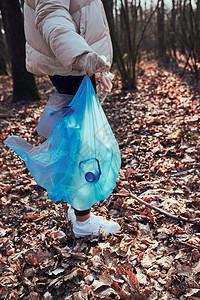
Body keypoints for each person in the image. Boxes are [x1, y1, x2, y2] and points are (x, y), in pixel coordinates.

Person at [23, 0, 120, 238]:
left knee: (76, 139)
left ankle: (76, 209)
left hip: (73, 62)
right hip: (73, 64)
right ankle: (83, 222)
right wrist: (83, 55)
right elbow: (51, 16)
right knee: (82, 146)